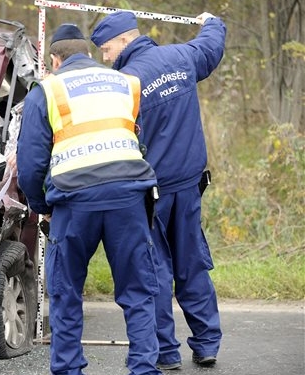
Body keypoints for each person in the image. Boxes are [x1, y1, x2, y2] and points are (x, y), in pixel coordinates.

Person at [16, 23, 163, 375]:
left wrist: (42, 207)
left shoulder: (47, 90)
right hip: (129, 197)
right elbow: (136, 138)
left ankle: (68, 370)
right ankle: (144, 367)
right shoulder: (125, 83)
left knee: (66, 293)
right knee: (138, 289)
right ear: (89, 53)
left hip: (74, 202)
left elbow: (31, 165)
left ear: (54, 59)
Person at [90, 11, 226, 370]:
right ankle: (207, 343)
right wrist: (211, 21)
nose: (105, 57)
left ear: (123, 40)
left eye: (106, 49)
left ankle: (166, 352)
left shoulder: (125, 81)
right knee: (192, 263)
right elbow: (212, 45)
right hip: (191, 186)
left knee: (153, 272)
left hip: (150, 194)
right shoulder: (182, 57)